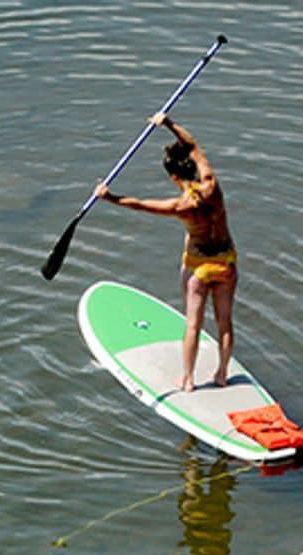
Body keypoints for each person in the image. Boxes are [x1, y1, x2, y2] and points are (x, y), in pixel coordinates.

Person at [95, 111, 237, 392]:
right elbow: (194, 145)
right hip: (227, 262)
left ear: (174, 176)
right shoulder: (212, 184)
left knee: (193, 325)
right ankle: (222, 374)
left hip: (198, 267)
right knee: (225, 322)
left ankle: (188, 380)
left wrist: (108, 196)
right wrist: (168, 124)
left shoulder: (179, 207)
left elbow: (139, 204)